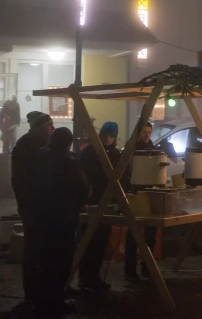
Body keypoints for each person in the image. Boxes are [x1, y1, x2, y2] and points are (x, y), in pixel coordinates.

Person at [33, 127, 89, 315]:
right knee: (61, 262)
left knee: (46, 260)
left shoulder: (41, 161)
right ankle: (56, 302)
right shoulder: (69, 163)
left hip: (44, 218)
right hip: (64, 219)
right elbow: (82, 189)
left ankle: (42, 301)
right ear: (69, 143)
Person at [11, 111, 54, 309]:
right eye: (48, 126)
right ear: (38, 127)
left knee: (42, 248)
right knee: (34, 249)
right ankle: (32, 293)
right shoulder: (27, 147)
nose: (51, 130)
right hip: (33, 207)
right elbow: (24, 181)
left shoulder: (38, 146)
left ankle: (41, 289)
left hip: (39, 206)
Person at [79, 121, 121, 292]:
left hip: (107, 202)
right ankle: (85, 277)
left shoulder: (116, 154)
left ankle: (93, 276)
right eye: (106, 134)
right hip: (91, 201)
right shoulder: (89, 152)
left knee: (101, 241)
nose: (108, 138)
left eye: (111, 136)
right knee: (88, 240)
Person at [125, 121, 161, 281]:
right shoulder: (131, 149)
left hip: (150, 194)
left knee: (150, 234)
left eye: (149, 132)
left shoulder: (152, 147)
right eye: (144, 132)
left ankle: (147, 267)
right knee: (134, 234)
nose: (147, 135)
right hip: (136, 194)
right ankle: (130, 270)